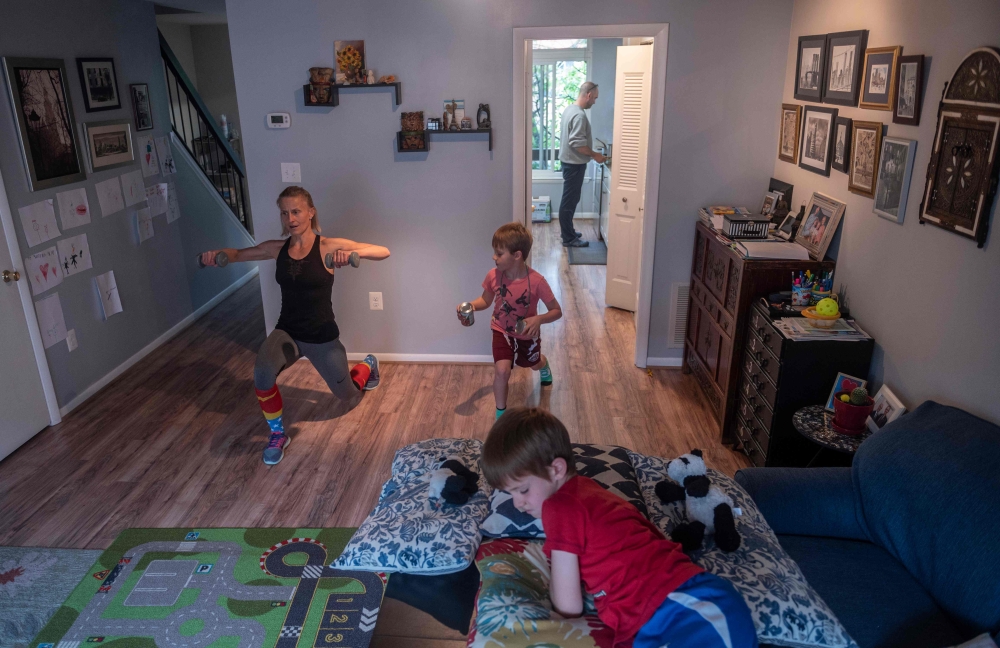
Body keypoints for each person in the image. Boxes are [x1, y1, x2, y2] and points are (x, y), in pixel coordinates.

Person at [481, 408, 758, 648]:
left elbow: (568, 606)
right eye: (511, 494)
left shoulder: (560, 507)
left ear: (556, 470)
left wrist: (551, 612)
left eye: (523, 490)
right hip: (662, 616)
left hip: (685, 608)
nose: (518, 504)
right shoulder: (588, 492)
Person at [199, 186, 390, 465]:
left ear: (310, 212)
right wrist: (217, 255)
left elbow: (383, 251)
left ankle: (367, 366)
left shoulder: (327, 246)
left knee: (347, 395)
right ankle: (277, 434)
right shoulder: (277, 250)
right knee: (262, 374)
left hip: (321, 336)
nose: (291, 218)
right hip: (287, 331)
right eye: (285, 212)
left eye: (296, 211)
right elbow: (239, 253)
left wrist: (345, 256)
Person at [456, 223, 561, 420]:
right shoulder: (493, 276)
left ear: (517, 255)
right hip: (501, 329)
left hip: (526, 333)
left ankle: (544, 366)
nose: (494, 257)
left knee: (533, 362)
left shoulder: (537, 281)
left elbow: (557, 311)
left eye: (499, 253)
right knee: (502, 371)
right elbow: (486, 300)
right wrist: (470, 305)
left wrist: (538, 319)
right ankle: (500, 415)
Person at [558, 81, 606, 248]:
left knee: (571, 199)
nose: (595, 102)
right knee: (569, 201)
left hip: (568, 163)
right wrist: (595, 155)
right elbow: (577, 143)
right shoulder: (579, 115)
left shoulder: (569, 109)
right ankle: (568, 238)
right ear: (588, 95)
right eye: (595, 98)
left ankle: (568, 232)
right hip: (573, 165)